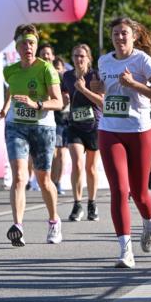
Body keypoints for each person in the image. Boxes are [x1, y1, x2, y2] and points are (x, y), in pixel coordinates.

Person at [92, 16, 151, 268]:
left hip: (139, 130)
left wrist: (134, 83)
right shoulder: (103, 61)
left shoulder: (144, 61)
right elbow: (106, 90)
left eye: (124, 33)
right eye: (115, 33)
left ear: (134, 36)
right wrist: (97, 87)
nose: (119, 37)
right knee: (119, 190)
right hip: (109, 129)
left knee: (140, 193)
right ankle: (125, 250)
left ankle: (149, 223)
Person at [0, 24, 63, 246]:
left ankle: (54, 221)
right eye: (24, 43)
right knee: (19, 177)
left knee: (44, 180)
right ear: (17, 47)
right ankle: (18, 226)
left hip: (43, 127)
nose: (28, 47)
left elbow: (58, 102)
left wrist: (37, 104)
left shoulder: (47, 69)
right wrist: (5, 109)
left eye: (32, 43)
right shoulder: (10, 71)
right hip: (16, 126)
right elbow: (12, 89)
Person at [61, 43, 103, 222]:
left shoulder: (95, 76)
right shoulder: (67, 76)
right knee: (77, 163)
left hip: (94, 125)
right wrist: (63, 99)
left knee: (91, 168)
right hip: (75, 125)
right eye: (75, 56)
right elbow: (63, 95)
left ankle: (92, 203)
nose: (78, 59)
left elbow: (102, 102)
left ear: (88, 58)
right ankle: (77, 204)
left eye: (82, 56)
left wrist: (83, 89)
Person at [38, 43, 68, 195]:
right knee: (49, 153)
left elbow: (67, 96)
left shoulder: (61, 77)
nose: (46, 56)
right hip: (41, 118)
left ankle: (57, 182)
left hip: (60, 119)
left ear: (53, 56)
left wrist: (65, 101)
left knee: (59, 153)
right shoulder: (35, 74)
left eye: (48, 54)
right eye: (43, 54)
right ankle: (47, 182)